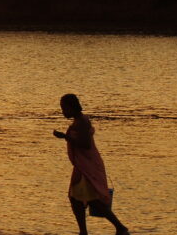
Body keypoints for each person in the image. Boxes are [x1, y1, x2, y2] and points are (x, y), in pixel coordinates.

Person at [53, 94, 129, 235]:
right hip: (82, 166)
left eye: (64, 108)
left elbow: (86, 145)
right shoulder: (79, 121)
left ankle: (120, 228)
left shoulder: (82, 122)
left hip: (88, 165)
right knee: (75, 198)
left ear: (72, 107)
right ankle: (84, 232)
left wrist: (65, 137)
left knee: (92, 200)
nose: (63, 112)